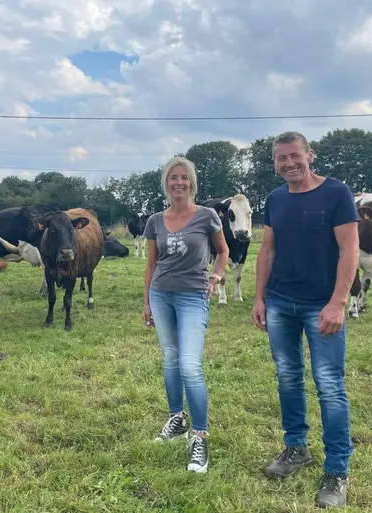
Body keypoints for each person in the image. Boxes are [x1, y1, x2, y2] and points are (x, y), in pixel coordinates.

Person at [251, 131, 359, 508]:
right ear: (275, 163)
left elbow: (350, 249)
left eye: (294, 156)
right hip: (281, 303)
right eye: (281, 159)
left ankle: (337, 469)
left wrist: (338, 301)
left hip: (322, 306)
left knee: (329, 384)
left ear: (310, 155)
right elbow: (267, 251)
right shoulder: (275, 199)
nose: (289, 164)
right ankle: (295, 448)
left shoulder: (336, 193)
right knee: (287, 377)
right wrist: (260, 298)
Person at [142, 156, 229, 474]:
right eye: (172, 178)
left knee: (190, 366)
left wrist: (216, 276)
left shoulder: (206, 216)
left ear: (192, 183)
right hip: (161, 294)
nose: (178, 182)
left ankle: (200, 436)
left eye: (184, 178)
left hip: (193, 296)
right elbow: (151, 264)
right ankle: (177, 418)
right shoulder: (154, 220)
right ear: (166, 183)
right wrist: (147, 301)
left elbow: (223, 251)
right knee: (170, 360)